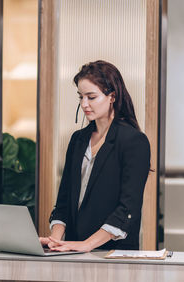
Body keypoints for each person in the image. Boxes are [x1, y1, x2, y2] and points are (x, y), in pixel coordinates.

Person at [40, 60, 151, 252]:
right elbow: (64, 201)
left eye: (91, 97)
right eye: (81, 97)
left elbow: (127, 210)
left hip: (113, 253)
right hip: (73, 249)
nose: (84, 104)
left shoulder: (134, 141)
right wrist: (55, 240)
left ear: (112, 96)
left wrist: (87, 245)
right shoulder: (78, 139)